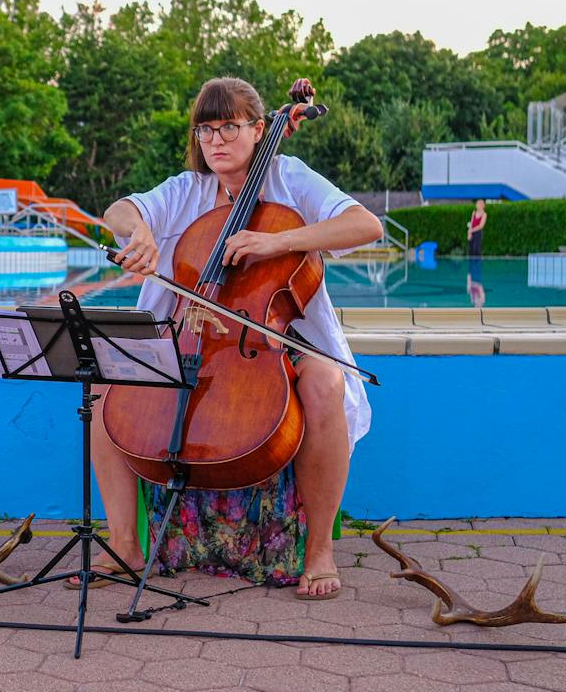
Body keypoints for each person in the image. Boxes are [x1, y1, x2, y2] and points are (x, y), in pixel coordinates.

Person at [101, 77, 382, 600]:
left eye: (229, 126)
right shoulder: (187, 189)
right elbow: (120, 210)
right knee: (106, 386)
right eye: (205, 129)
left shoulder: (287, 177)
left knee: (325, 382)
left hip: (272, 337)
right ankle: (124, 545)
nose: (216, 140)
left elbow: (364, 226)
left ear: (259, 129)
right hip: (194, 336)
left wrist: (279, 241)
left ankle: (319, 550)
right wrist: (138, 229)